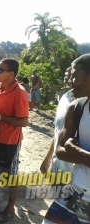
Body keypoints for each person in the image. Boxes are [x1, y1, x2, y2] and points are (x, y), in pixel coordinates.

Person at [43, 54, 90, 223]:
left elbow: (67, 148)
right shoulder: (76, 108)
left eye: (76, 77)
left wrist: (74, 148)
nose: (71, 82)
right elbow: (60, 151)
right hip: (74, 191)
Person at [0, 59, 29, 222]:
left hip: (10, 141)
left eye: (0, 70)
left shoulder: (19, 92)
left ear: (11, 74)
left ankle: (10, 207)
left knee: (11, 175)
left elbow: (23, 121)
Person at [40, 67, 76, 175]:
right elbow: (58, 131)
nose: (67, 70)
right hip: (57, 166)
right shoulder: (65, 97)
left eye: (73, 68)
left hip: (76, 175)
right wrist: (48, 158)